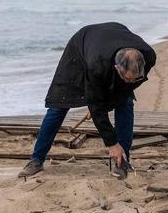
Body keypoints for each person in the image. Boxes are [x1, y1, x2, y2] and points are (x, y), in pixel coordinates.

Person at [19, 22, 156, 178]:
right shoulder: (96, 65)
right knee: (59, 106)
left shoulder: (149, 56)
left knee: (125, 102)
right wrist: (111, 143)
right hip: (81, 48)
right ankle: (37, 159)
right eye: (128, 78)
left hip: (109, 39)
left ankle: (122, 161)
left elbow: (129, 86)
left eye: (135, 78)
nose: (132, 82)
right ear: (117, 68)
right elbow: (96, 106)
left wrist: (114, 98)